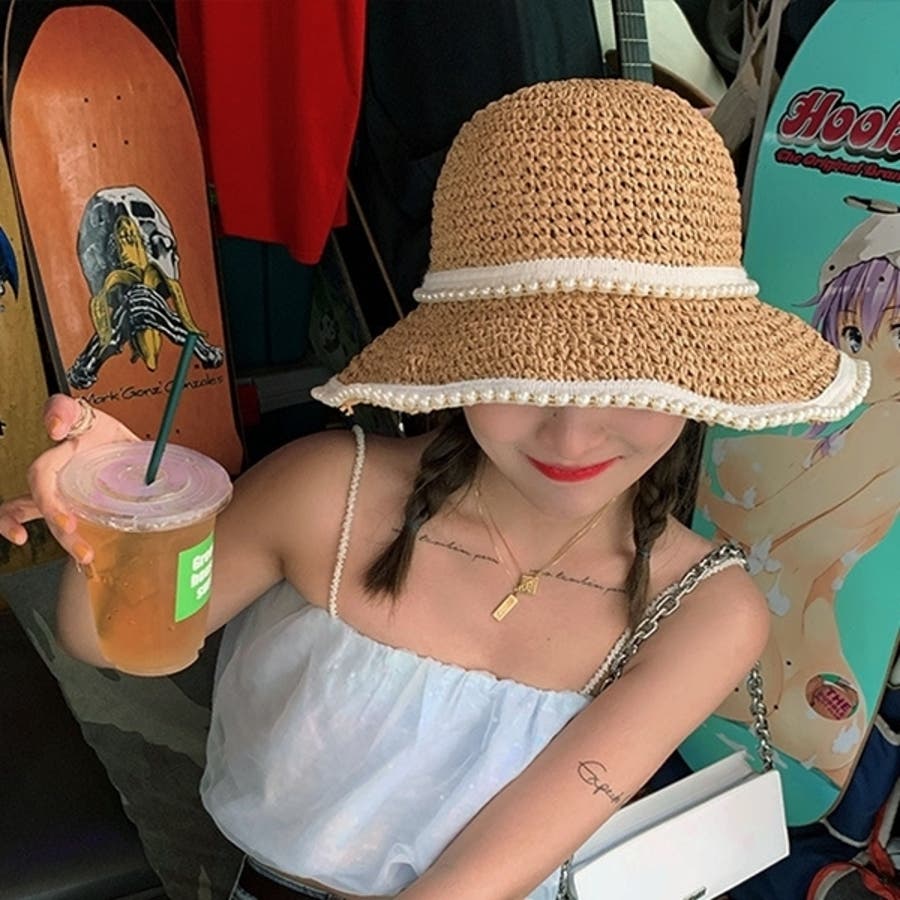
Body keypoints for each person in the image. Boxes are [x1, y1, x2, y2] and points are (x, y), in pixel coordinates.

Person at [0, 79, 869, 900]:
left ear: (699, 381)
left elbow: (480, 877)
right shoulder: (325, 494)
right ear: (458, 361)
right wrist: (119, 520)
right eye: (521, 372)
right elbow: (112, 643)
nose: (573, 435)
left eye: (630, 381)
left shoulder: (704, 611)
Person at [701, 196, 900, 788]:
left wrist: (693, 495)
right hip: (799, 644)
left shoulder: (887, 427)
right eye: (852, 333)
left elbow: (764, 526)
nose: (866, 353)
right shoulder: (870, 425)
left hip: (761, 650)